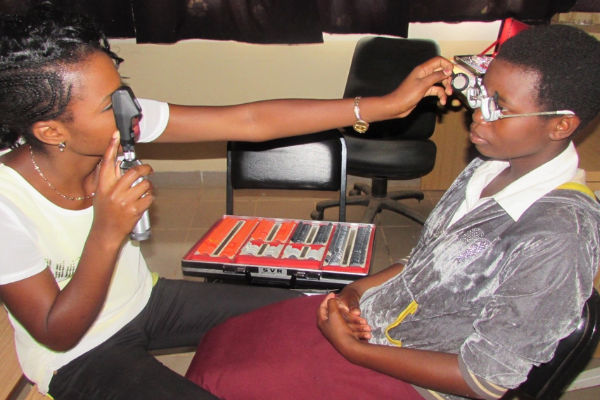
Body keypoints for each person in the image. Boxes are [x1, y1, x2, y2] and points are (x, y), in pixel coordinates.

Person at [0, 2, 454, 400]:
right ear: (51, 132)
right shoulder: (6, 202)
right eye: (110, 106)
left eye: (125, 90)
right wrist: (105, 231)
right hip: (79, 352)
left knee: (315, 310)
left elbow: (250, 120)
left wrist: (381, 106)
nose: (130, 110)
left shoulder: (121, 121)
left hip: (146, 302)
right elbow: (56, 333)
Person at [184, 24, 600, 400]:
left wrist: (354, 350)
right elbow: (427, 263)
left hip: (423, 381)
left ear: (560, 125)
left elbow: (485, 378)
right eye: (479, 94)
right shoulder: (489, 168)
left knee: (223, 382)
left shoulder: (558, 232)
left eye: (499, 107)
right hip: (381, 324)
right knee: (228, 341)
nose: (476, 114)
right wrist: (356, 292)